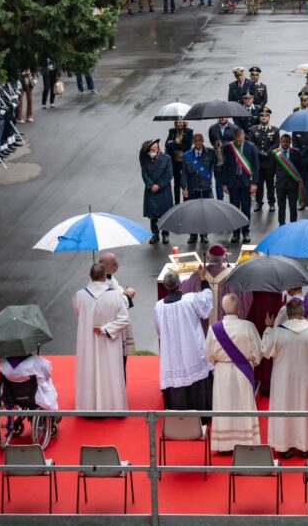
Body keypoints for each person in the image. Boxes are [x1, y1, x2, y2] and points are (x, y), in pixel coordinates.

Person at [262, 298, 308, 458]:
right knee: (306, 410)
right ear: (302, 313)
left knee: (285, 410)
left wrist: (268, 327)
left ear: (287, 314)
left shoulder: (278, 332)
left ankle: (285, 447)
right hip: (307, 381)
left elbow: (266, 351)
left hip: (283, 382)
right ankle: (306, 446)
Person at [204, 294, 263, 452]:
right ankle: (246, 440)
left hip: (222, 372)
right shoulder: (248, 326)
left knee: (224, 406)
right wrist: (251, 362)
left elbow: (208, 353)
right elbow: (258, 352)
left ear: (223, 308)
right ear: (238, 308)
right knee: (243, 405)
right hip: (243, 371)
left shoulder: (213, 329)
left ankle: (225, 445)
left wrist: (219, 361)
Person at [154, 272, 215, 411]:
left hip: (172, 352)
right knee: (195, 374)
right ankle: (201, 414)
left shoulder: (158, 306)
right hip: (191, 347)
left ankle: (177, 416)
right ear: (180, 284)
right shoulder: (190, 299)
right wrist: (204, 282)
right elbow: (207, 303)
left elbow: (159, 331)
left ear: (165, 286)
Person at [73, 264, 131, 411]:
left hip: (87, 342)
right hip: (109, 342)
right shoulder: (116, 295)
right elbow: (124, 319)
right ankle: (113, 406)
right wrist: (106, 329)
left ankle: (88, 406)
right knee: (110, 372)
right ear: (105, 276)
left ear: (90, 275)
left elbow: (78, 312)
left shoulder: (79, 295)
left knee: (89, 369)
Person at [221, 128, 259, 244]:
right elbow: (224, 166)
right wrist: (224, 183)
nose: (239, 143)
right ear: (234, 138)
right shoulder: (228, 147)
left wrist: (254, 183)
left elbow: (256, 166)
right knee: (234, 209)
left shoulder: (251, 147)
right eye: (237, 141)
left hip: (246, 181)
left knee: (246, 208)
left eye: (241, 140)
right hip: (233, 182)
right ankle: (235, 233)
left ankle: (246, 232)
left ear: (244, 138)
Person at [99, 253, 137, 365]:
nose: (118, 265)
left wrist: (124, 291)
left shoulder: (109, 277)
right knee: (117, 363)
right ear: (106, 266)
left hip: (114, 327)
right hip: (113, 327)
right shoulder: (103, 283)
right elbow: (115, 303)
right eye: (115, 264)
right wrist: (127, 295)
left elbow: (117, 290)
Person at [181, 133, 217, 243]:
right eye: (195, 140)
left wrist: (219, 150)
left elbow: (220, 162)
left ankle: (204, 234)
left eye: (200, 140)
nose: (198, 142)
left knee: (204, 213)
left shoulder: (210, 153)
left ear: (203, 141)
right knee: (192, 213)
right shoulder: (187, 155)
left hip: (205, 188)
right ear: (193, 141)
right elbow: (184, 173)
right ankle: (193, 235)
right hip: (192, 188)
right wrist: (184, 187)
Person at [140, 139, 173, 244]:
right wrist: (150, 185)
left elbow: (169, 174)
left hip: (163, 190)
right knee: (153, 215)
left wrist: (159, 185)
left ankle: (165, 234)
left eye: (154, 149)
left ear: (158, 148)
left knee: (165, 213)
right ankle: (155, 234)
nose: (152, 152)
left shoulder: (166, 159)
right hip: (151, 190)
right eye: (150, 150)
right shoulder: (145, 159)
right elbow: (144, 174)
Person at [249, 107, 279, 212]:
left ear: (269, 117)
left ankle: (271, 203)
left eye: (266, 116)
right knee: (259, 183)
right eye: (261, 115)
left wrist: (268, 153)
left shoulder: (274, 130)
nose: (264, 118)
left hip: (270, 162)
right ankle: (259, 202)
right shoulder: (253, 129)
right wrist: (260, 153)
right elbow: (252, 144)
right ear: (259, 117)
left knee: (270, 184)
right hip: (258, 162)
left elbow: (276, 144)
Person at [272, 134, 304, 225]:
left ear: (290, 142)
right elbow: (273, 168)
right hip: (280, 185)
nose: (285, 143)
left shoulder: (296, 152)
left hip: (293, 185)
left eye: (287, 141)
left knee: (293, 207)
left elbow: (300, 167)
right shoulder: (275, 153)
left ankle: (293, 225)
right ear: (280, 142)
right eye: (283, 141)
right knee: (281, 207)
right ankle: (281, 225)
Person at [208, 117, 237, 200]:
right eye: (220, 116)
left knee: (231, 182)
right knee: (219, 182)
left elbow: (237, 143)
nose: (222, 118)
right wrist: (216, 145)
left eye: (224, 116)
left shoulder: (234, 128)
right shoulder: (213, 128)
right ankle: (220, 201)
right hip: (218, 159)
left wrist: (224, 144)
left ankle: (233, 201)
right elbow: (212, 141)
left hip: (230, 160)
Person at [165, 120, 193, 205]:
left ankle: (186, 202)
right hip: (174, 161)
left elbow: (187, 146)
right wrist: (174, 144)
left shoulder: (189, 131)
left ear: (184, 123)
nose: (178, 124)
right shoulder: (172, 131)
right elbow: (166, 145)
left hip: (184, 161)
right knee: (176, 183)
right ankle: (177, 203)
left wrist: (175, 144)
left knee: (185, 183)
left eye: (180, 122)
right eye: (176, 122)